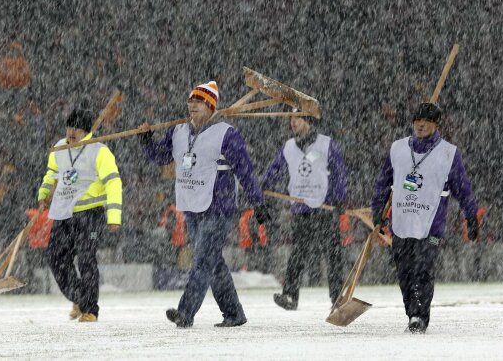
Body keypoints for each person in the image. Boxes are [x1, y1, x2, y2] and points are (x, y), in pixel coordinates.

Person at [138, 81, 270, 328]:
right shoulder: (177, 131)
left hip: (218, 208)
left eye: (198, 102)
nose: (192, 106)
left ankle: (185, 312)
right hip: (191, 206)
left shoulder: (226, 134)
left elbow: (246, 171)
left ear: (211, 106)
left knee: (201, 262)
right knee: (212, 262)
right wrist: (146, 141)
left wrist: (257, 202)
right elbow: (161, 156)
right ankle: (234, 313)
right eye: (190, 102)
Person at [371, 102, 479, 333]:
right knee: (405, 272)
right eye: (417, 120)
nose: (420, 125)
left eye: (426, 121)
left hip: (432, 225)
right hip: (401, 222)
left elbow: (463, 188)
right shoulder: (397, 149)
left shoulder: (449, 153)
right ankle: (412, 312)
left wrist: (471, 216)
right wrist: (377, 213)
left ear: (435, 125)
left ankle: (419, 316)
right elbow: (383, 184)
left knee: (423, 269)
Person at [38, 108, 122, 322]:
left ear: (86, 131)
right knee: (56, 259)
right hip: (63, 213)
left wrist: (114, 216)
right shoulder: (59, 148)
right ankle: (80, 298)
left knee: (86, 260)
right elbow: (51, 174)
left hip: (90, 215)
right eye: (69, 127)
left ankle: (91, 310)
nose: (71, 132)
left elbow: (113, 182)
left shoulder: (99, 150)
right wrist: (44, 193)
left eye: (76, 128)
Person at [261, 110, 347, 310]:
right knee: (298, 254)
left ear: (308, 121)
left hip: (324, 207)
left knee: (332, 255)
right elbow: (275, 169)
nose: (293, 122)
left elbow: (339, 172)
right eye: (291, 119)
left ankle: (337, 297)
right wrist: (264, 185)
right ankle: (290, 295)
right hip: (301, 208)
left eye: (297, 118)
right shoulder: (289, 147)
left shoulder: (326, 144)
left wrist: (340, 198)